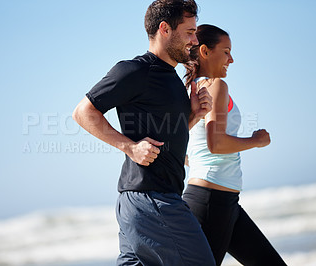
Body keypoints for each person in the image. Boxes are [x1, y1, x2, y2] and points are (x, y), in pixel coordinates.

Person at [73, 1, 216, 265]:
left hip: (144, 200)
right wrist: (129, 147)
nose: (195, 40)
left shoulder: (171, 77)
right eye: (188, 32)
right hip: (152, 199)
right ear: (164, 29)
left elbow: (166, 136)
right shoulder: (135, 70)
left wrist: (193, 117)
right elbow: (83, 112)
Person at [182, 24, 287, 266]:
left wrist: (193, 161)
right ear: (205, 52)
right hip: (211, 201)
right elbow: (216, 143)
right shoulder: (216, 86)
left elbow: (187, 146)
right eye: (226, 51)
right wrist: (256, 141)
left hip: (220, 200)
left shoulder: (191, 89)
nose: (232, 59)